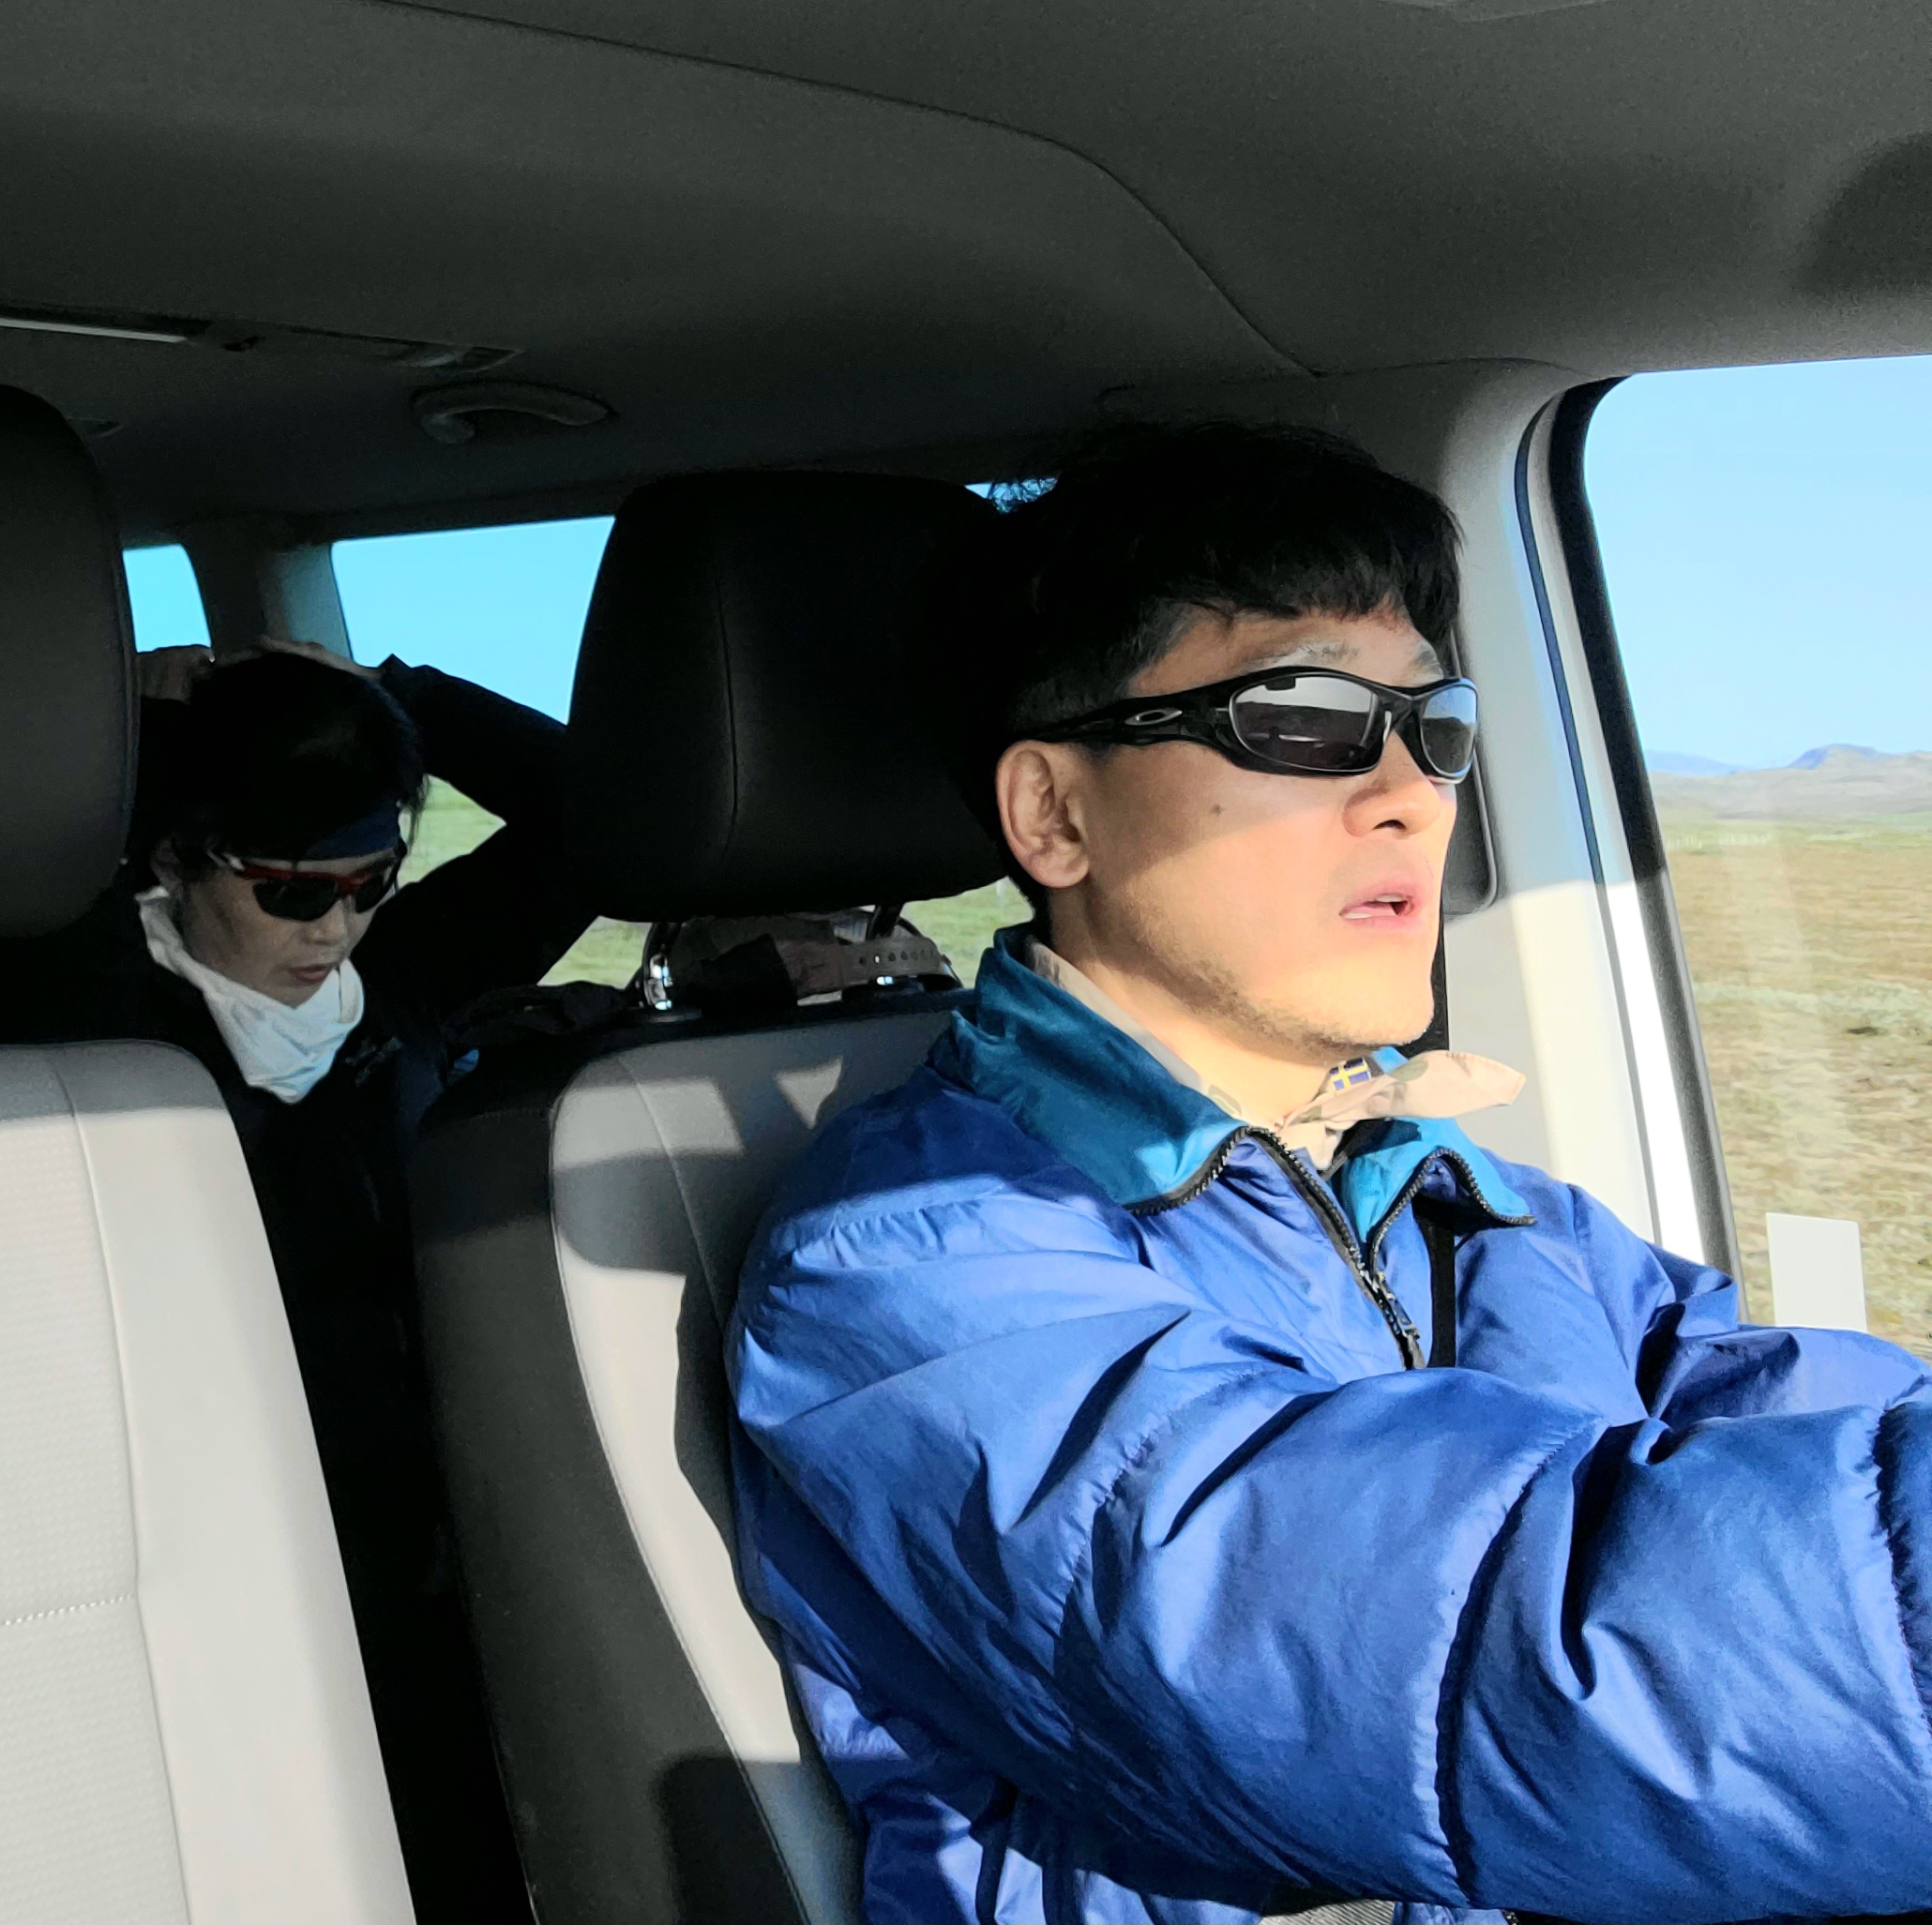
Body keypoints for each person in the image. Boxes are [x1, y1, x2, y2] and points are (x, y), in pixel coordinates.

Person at [726, 422, 1932, 1921]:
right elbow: (1461, 1659)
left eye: (1437, 725)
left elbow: (1785, 1417)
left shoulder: (1467, 1203)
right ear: (1056, 814)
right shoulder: (912, 1265)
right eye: (1301, 719)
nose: (1414, 793)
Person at [0, 638, 587, 1920]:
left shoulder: (398, 986)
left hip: (431, 1569)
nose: (336, 930)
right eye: (294, 892)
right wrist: (156, 720)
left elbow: (601, 826)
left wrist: (399, 697)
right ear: (180, 855)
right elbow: (4, 832)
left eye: (371, 883)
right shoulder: (82, 993)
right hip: (210, 1578)